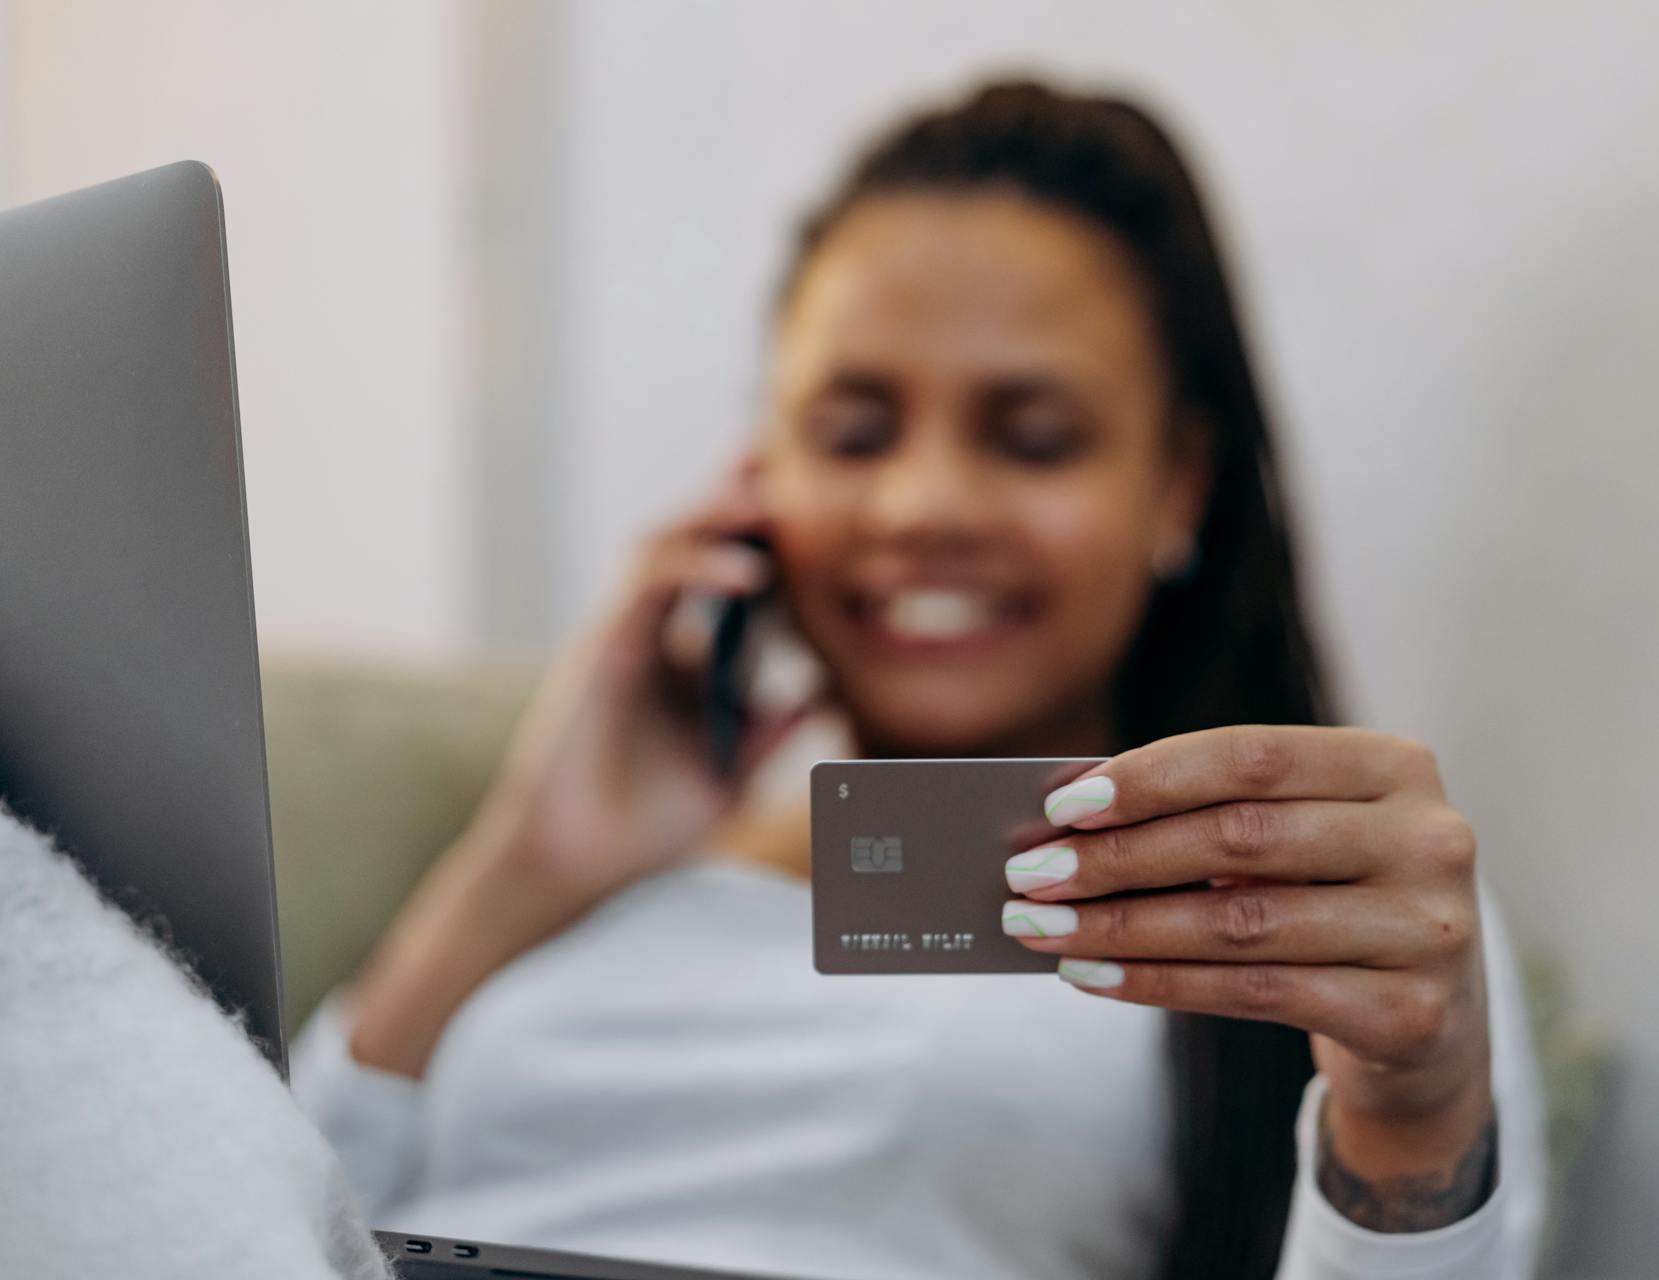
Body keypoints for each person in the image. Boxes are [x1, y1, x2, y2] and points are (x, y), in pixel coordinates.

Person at [293, 79, 1546, 1280]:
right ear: (758, 472)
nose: (926, 503)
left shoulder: (1321, 911)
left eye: (1034, 436)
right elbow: (243, 1217)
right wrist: (526, 859)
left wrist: (1411, 1116)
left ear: (1178, 484)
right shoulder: (599, 877)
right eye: (852, 432)